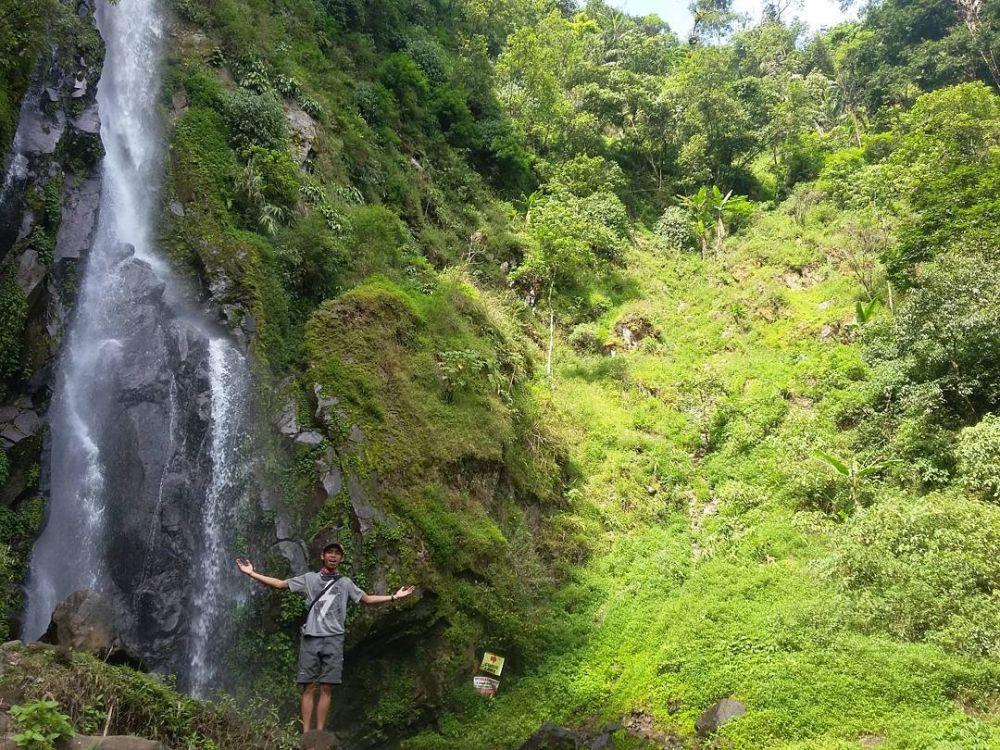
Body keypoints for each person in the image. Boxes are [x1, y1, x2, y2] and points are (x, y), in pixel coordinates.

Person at [235, 543, 416, 733]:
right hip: (312, 637)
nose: (333, 556)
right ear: (322, 555)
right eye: (330, 552)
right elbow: (280, 584)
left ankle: (319, 733)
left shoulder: (345, 583)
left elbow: (367, 599)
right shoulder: (309, 579)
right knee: (308, 686)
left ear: (341, 559)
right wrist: (251, 573)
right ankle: (306, 733)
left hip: (334, 639)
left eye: (337, 553)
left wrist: (394, 597)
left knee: (327, 687)